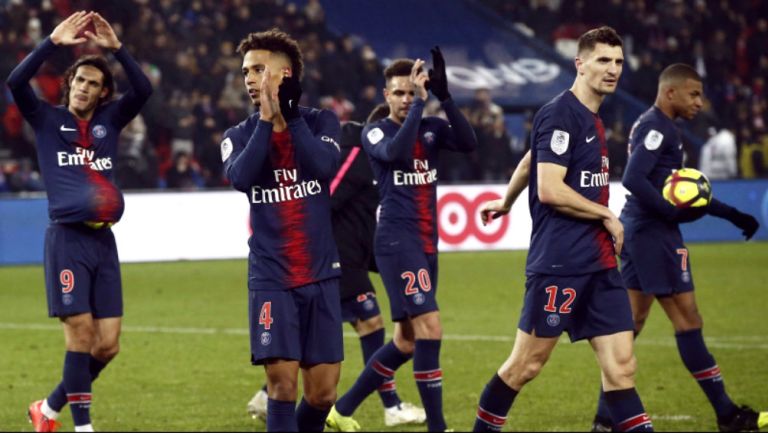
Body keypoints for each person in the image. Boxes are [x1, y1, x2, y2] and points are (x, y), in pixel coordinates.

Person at [472, 27, 654, 432]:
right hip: (561, 263)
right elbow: (550, 189)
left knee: (622, 368)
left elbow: (529, 160)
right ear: (580, 64)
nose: (612, 70)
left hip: (601, 265)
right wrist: (606, 215)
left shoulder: (591, 116)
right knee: (526, 366)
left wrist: (506, 200)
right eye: (603, 60)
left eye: (619, 62)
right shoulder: (559, 113)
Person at [590, 64, 766, 433]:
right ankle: (727, 414)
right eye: (694, 94)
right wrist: (669, 213)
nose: (700, 102)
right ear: (670, 93)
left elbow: (681, 191)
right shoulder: (658, 128)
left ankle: (605, 419)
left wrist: (733, 215)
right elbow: (635, 178)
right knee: (689, 320)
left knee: (631, 325)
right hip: (654, 236)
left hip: (640, 231)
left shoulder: (655, 124)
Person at [7, 11, 152, 433]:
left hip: (103, 244)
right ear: (69, 84)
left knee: (107, 346)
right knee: (81, 336)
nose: (83, 88)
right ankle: (83, 428)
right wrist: (52, 43)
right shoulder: (47, 120)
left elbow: (144, 89)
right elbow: (16, 82)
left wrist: (118, 50)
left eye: (92, 83)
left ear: (103, 92)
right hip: (67, 241)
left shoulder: (110, 122)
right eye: (79, 80)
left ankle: (48, 409)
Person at [326, 47, 478, 432]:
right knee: (431, 328)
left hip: (427, 241)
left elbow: (468, 142)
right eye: (399, 93)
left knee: (407, 341)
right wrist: (418, 109)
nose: (407, 99)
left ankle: (342, 409)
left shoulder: (431, 128)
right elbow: (394, 152)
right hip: (397, 241)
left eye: (412, 92)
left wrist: (444, 97)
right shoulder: (375, 131)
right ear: (386, 95)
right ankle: (438, 427)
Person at [247, 103, 427, 427]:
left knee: (320, 365)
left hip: (351, 258)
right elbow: (324, 196)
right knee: (370, 323)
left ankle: (270, 394)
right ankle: (388, 405)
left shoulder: (382, 160)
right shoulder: (356, 153)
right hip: (333, 258)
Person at [221, 29, 343, 432]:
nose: (250, 79)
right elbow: (241, 176)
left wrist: (288, 118)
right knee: (282, 386)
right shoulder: (237, 135)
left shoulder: (321, 121)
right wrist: (266, 121)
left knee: (323, 394)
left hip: (321, 273)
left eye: (258, 69)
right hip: (272, 277)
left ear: (285, 73)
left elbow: (323, 167)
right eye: (245, 72)